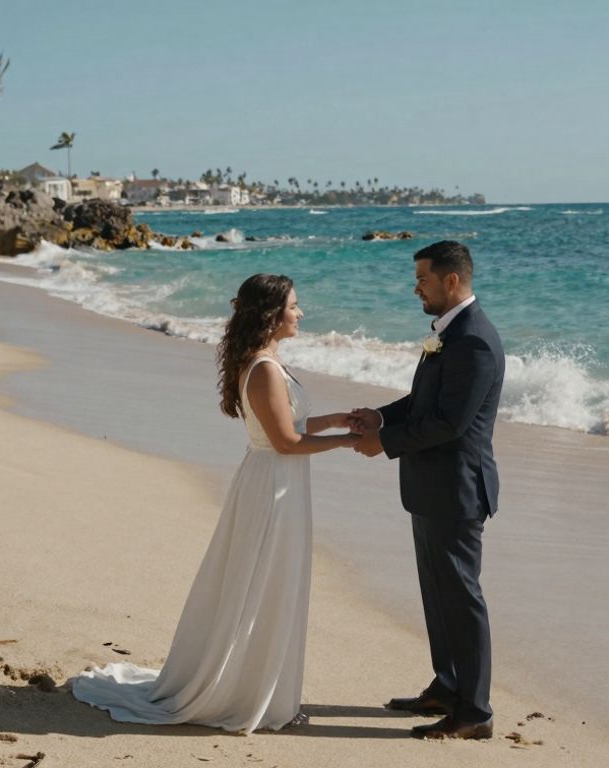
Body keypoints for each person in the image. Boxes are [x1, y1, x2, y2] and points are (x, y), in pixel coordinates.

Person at [71, 274, 360, 733]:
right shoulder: (263, 369)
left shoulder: (268, 362)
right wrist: (347, 442)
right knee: (263, 584)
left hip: (278, 482)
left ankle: (263, 690)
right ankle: (250, 695)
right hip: (273, 487)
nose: (300, 313)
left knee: (269, 584)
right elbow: (285, 441)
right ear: (271, 314)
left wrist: (337, 421)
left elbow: (291, 423)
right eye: (293, 306)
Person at [352, 240, 505, 740]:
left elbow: (451, 423)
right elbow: (424, 401)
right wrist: (381, 416)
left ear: (451, 281)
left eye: (422, 278)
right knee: (437, 594)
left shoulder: (475, 340)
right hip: (429, 487)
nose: (415, 286)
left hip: (457, 489)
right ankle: (447, 685)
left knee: (462, 597)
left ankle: (475, 712)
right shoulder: (449, 334)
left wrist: (384, 442)